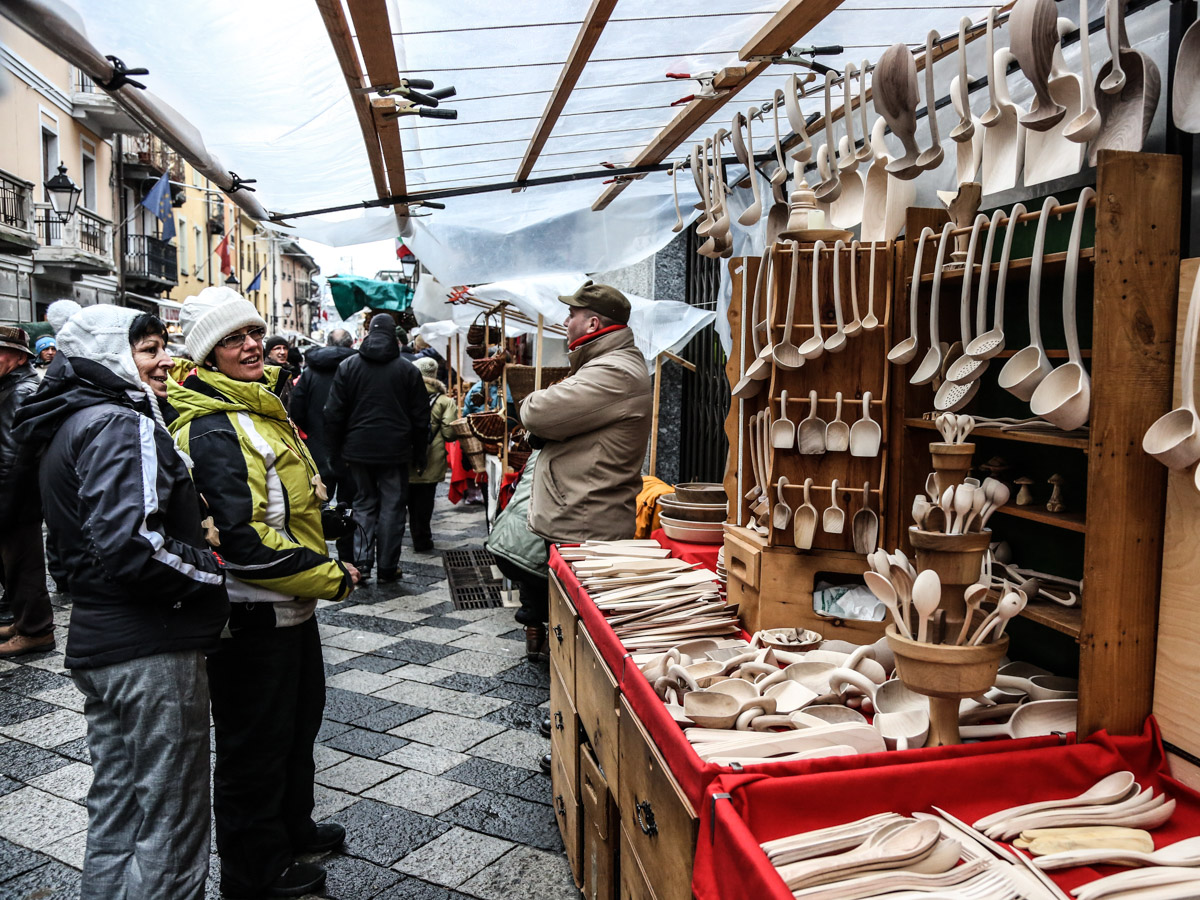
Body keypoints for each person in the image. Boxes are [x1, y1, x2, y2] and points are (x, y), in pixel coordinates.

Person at [13, 301, 228, 899]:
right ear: (111, 356)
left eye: (164, 347)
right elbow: (133, 545)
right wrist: (214, 573)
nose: (166, 362)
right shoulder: (116, 421)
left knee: (119, 809)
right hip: (148, 647)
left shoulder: (71, 420)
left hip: (102, 642)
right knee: (171, 820)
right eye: (149, 350)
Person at [170, 286, 357, 900]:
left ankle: (291, 829)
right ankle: (254, 872)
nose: (251, 345)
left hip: (289, 605)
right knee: (255, 746)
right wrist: (331, 575)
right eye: (232, 339)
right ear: (207, 355)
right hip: (252, 614)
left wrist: (324, 524)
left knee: (298, 724)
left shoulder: (260, 406)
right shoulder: (215, 425)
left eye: (253, 332)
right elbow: (242, 540)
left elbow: (283, 501)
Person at [518, 280, 653, 645]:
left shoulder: (614, 371)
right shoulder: (604, 364)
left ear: (593, 324)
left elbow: (537, 412)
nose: (565, 321)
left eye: (571, 314)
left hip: (586, 521)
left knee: (581, 633)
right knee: (570, 623)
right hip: (578, 515)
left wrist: (537, 403)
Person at [324, 313, 429, 583]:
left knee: (363, 504)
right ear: (393, 335)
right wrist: (420, 453)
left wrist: (335, 451)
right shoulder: (408, 370)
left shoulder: (349, 366)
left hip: (357, 449)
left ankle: (362, 563)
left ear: (369, 332)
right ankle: (387, 567)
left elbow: (333, 413)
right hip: (395, 451)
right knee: (393, 508)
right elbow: (421, 418)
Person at [0, 325, 54, 657]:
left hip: (16, 497)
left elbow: (12, 456)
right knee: (14, 565)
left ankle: (35, 630)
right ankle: (24, 622)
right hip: (16, 496)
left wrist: (4, 506)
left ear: (19, 358)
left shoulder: (20, 391)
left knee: (23, 565)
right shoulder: (12, 386)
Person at [290, 329, 357, 562]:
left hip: (318, 448)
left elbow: (296, 409)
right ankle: (348, 558)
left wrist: (310, 432)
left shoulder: (310, 372)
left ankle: (319, 556)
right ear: (351, 345)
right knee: (349, 504)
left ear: (328, 342)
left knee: (318, 504)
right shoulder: (355, 368)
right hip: (349, 448)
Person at [406, 356, 458, 553]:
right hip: (432, 458)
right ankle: (423, 538)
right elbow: (449, 433)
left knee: (407, 499)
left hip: (406, 455)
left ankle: (410, 535)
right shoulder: (445, 401)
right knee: (425, 501)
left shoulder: (405, 396)